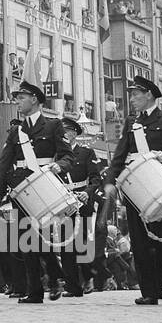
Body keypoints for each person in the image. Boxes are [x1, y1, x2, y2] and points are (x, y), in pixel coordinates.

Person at [0, 80, 74, 304]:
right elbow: (3, 165)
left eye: (22, 97)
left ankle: (54, 275)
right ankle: (36, 290)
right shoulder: (16, 132)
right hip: (20, 191)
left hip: (44, 188)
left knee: (39, 237)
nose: (18, 101)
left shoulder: (53, 126)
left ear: (34, 99)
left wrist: (58, 166)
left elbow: (67, 157)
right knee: (26, 239)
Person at [101, 75, 162, 306]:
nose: (132, 99)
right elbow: (119, 156)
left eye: (136, 95)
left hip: (160, 185)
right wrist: (110, 181)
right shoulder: (131, 123)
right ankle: (151, 291)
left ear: (149, 94)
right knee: (139, 241)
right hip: (136, 187)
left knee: (161, 238)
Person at [58, 114, 104, 298]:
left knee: (80, 242)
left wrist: (88, 192)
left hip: (81, 200)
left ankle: (88, 275)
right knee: (65, 244)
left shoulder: (86, 153)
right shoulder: (57, 155)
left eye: (67, 132)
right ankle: (72, 286)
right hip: (62, 200)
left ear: (74, 134)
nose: (64, 135)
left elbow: (95, 178)